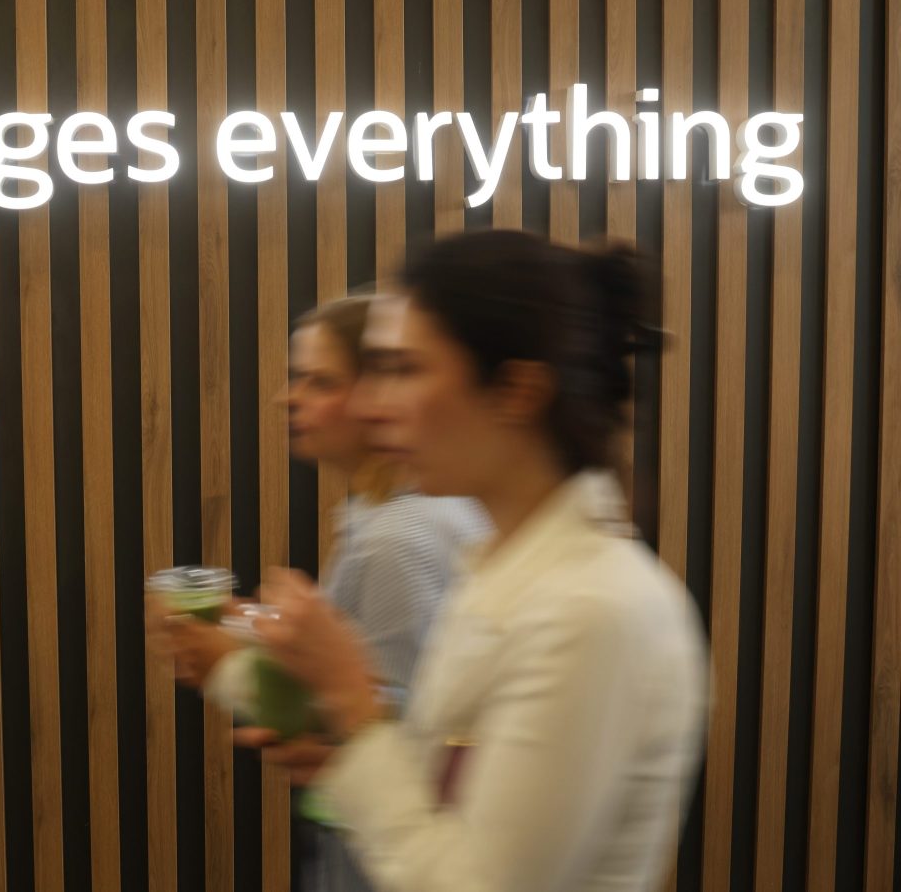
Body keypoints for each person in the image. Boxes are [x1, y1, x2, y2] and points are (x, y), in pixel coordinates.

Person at [242, 231, 709, 892]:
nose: (374, 406)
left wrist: (353, 704)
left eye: (405, 369)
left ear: (516, 390)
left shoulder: (590, 610)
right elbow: (453, 810)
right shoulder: (500, 571)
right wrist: (347, 756)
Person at [153, 293, 488, 892]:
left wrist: (229, 668)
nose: (290, 397)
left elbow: (393, 733)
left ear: (378, 398)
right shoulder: (402, 514)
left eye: (318, 380)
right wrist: (255, 628)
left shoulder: (394, 538)